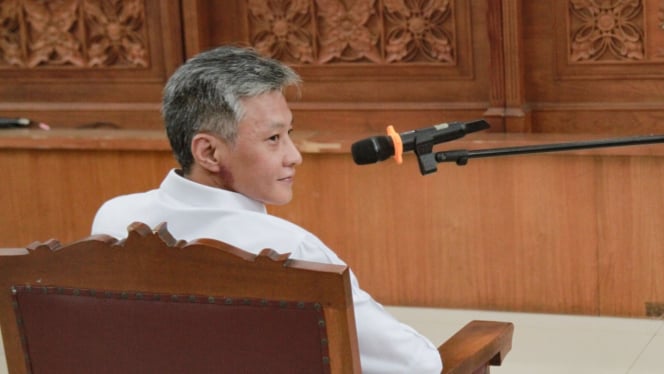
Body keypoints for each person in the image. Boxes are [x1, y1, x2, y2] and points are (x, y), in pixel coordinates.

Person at [91, 45, 443, 373]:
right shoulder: (287, 250)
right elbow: (418, 365)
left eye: (289, 134)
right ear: (209, 153)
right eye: (274, 139)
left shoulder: (114, 218)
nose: (295, 156)